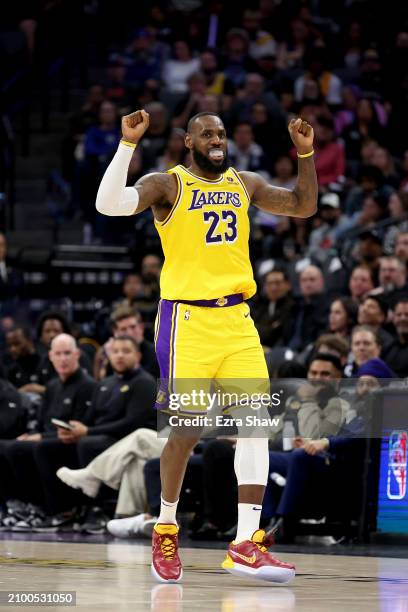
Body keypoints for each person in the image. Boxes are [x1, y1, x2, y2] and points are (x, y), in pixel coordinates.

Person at [95, 108, 317, 584]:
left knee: (256, 424)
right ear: (189, 143)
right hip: (187, 321)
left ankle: (245, 543)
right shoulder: (168, 185)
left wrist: (305, 154)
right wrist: (127, 145)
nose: (217, 139)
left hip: (237, 318)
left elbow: (302, 205)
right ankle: (166, 525)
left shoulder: (245, 183)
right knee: (188, 430)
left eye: (221, 132)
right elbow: (109, 205)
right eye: (206, 134)